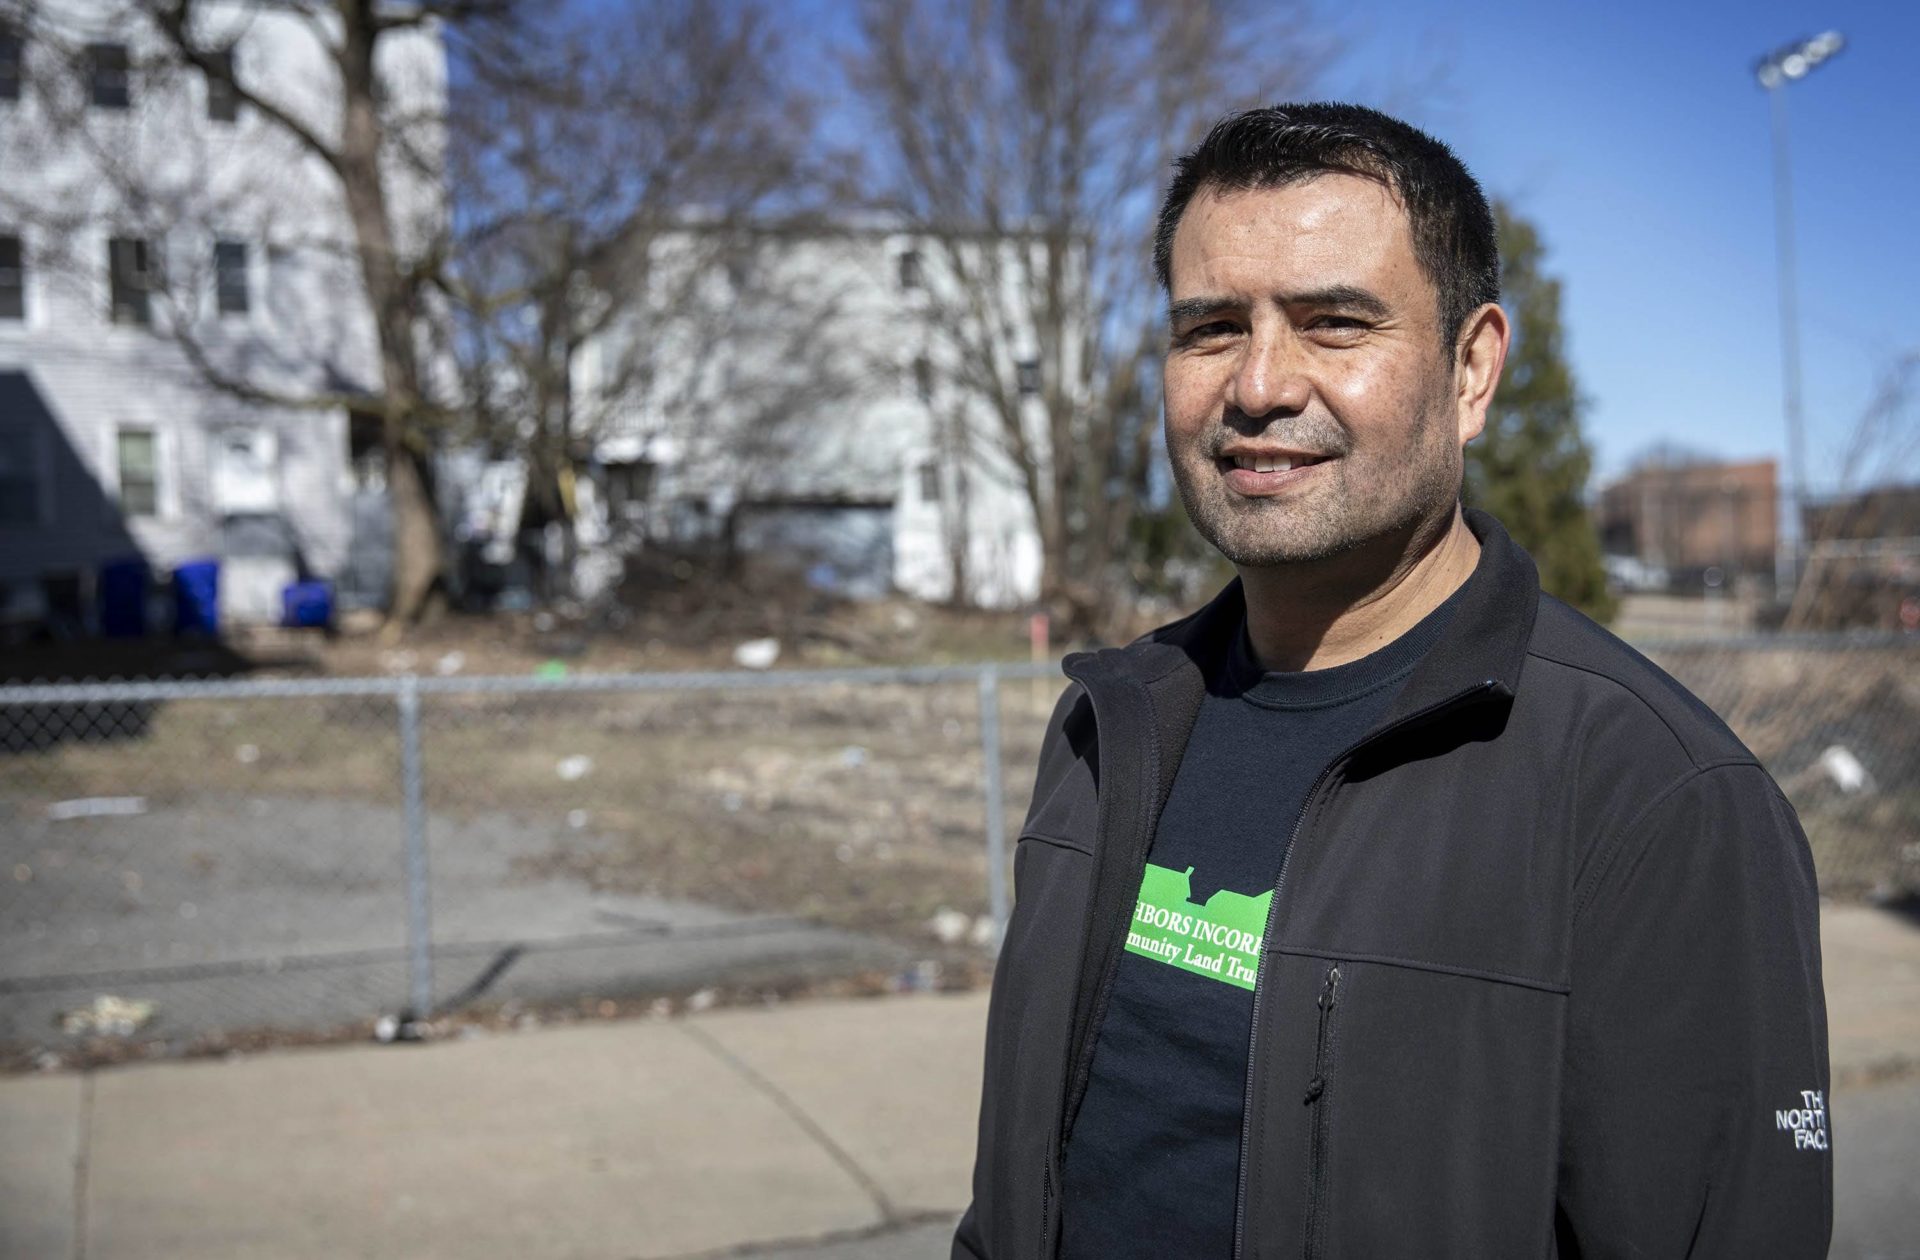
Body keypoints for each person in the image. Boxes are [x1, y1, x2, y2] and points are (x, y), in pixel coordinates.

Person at [952, 102, 1831, 1259]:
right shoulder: (1111, 724)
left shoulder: (1653, 798)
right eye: (1211, 327)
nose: (1259, 385)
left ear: (1472, 371)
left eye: (1333, 323)